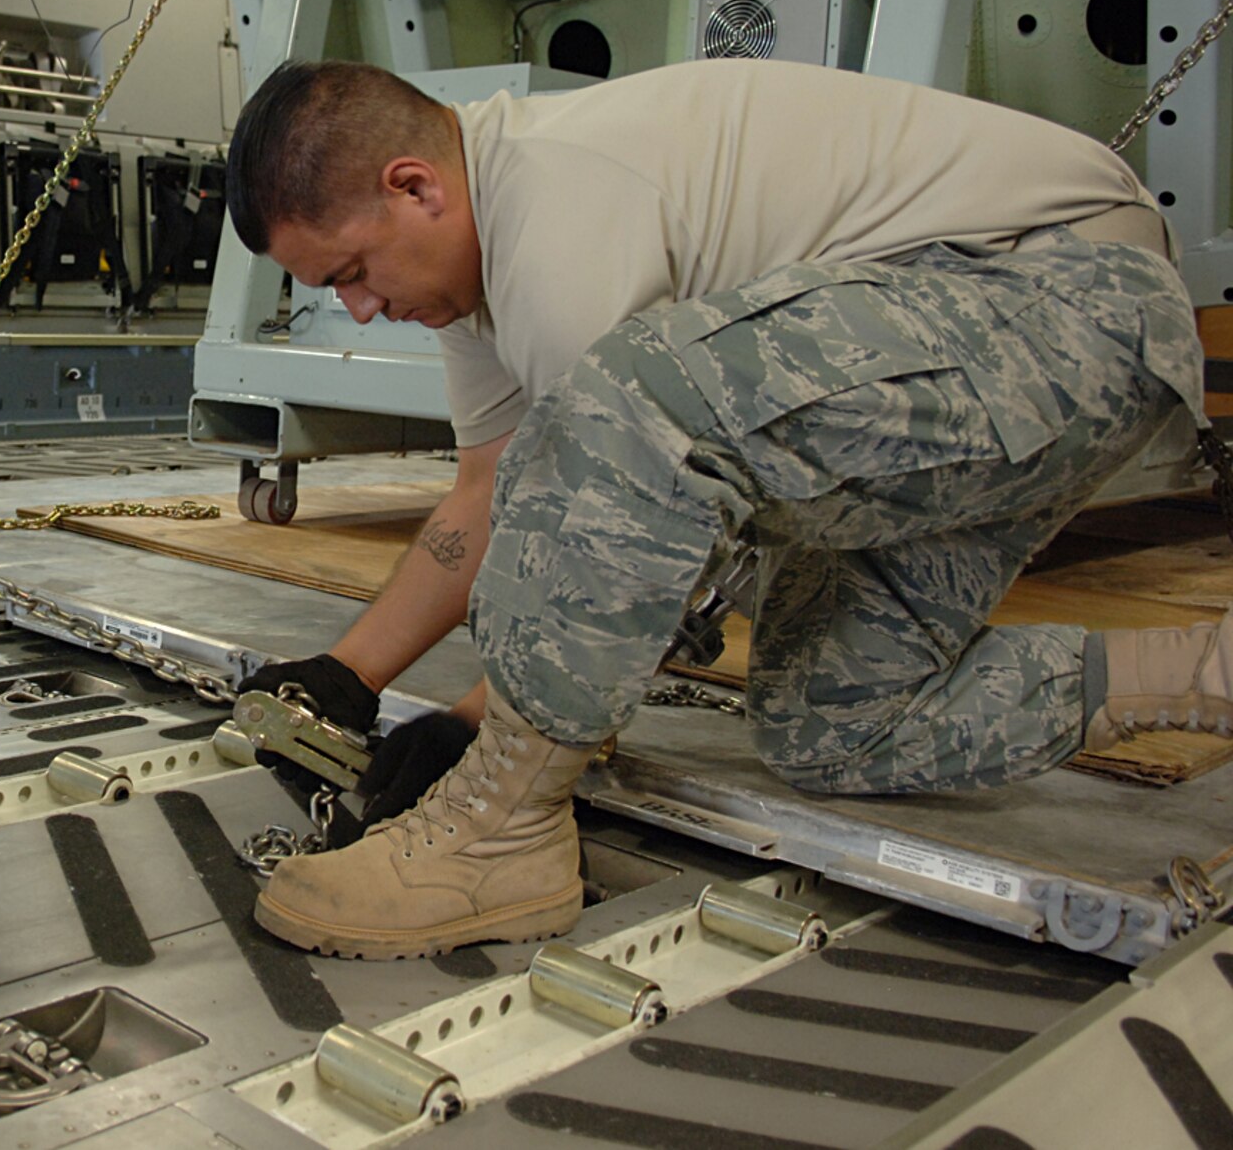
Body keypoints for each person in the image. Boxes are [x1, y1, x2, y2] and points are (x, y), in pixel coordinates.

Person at [225, 57, 1214, 960]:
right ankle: (1200, 672)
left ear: (413, 185)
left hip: (1064, 304)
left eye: (351, 273)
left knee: (625, 405)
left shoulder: (551, 209)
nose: (356, 308)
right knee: (829, 720)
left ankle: (502, 837)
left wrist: (487, 738)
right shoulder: (466, 277)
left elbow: (625, 534)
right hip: (966, 377)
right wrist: (347, 673)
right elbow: (486, 491)